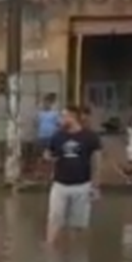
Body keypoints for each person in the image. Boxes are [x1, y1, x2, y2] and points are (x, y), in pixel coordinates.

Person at [43, 105, 102, 246]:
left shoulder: (90, 137)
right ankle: (49, 246)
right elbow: (49, 153)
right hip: (60, 184)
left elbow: (97, 163)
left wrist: (96, 186)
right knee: (54, 218)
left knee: (77, 224)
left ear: (72, 117)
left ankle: (74, 252)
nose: (60, 120)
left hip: (82, 185)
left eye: (63, 116)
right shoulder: (57, 136)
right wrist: (47, 157)